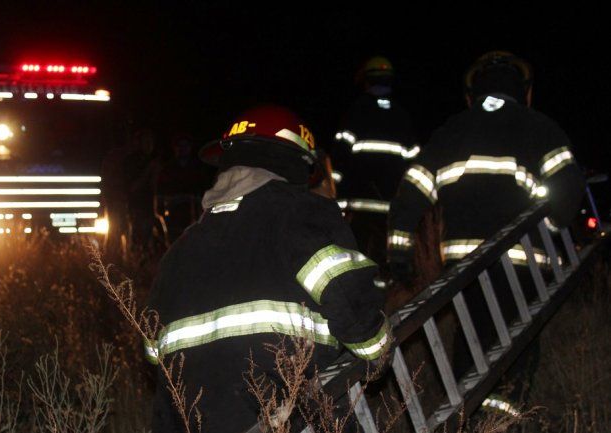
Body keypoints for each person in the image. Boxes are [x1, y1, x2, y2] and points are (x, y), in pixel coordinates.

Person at [146, 105, 391, 433]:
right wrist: (376, 353)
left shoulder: (179, 250)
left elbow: (152, 350)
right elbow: (348, 295)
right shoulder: (303, 213)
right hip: (293, 415)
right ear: (300, 164)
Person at [386, 51, 585, 411]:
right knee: (516, 345)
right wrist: (552, 225)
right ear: (524, 89)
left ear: (471, 92)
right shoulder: (540, 127)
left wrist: (399, 251)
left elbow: (412, 190)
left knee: (471, 344)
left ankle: (470, 415)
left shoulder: (451, 131)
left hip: (463, 269)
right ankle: (503, 416)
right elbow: (569, 186)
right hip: (523, 263)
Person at [331, 55, 419, 268]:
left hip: (358, 208)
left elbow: (339, 158)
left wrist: (332, 197)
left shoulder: (356, 111)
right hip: (390, 210)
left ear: (365, 80)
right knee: (384, 266)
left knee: (357, 263)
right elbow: (415, 163)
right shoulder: (402, 116)